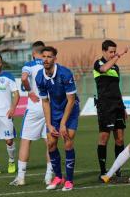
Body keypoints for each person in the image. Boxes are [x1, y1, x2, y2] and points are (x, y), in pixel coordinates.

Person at [35, 46, 80, 191]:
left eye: (49, 57)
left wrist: (63, 123)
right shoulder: (39, 77)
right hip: (54, 111)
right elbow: (45, 101)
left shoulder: (65, 74)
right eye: (44, 57)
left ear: (55, 58)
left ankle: (70, 181)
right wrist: (49, 123)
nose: (46, 59)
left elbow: (71, 99)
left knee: (67, 141)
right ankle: (58, 177)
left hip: (70, 110)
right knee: (51, 144)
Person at [10, 41, 53, 186]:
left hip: (35, 107)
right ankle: (48, 176)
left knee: (26, 140)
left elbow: (23, 78)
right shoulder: (51, 64)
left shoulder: (29, 64)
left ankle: (21, 178)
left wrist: (29, 91)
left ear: (34, 53)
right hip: (49, 106)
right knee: (49, 141)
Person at [93, 40, 128, 179]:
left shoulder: (116, 68)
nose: (113, 54)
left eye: (114, 51)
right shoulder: (98, 64)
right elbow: (104, 69)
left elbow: (116, 89)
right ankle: (103, 171)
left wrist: (123, 107)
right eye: (111, 52)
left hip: (118, 106)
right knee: (104, 137)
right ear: (104, 51)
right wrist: (118, 55)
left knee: (119, 139)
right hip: (105, 107)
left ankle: (117, 169)